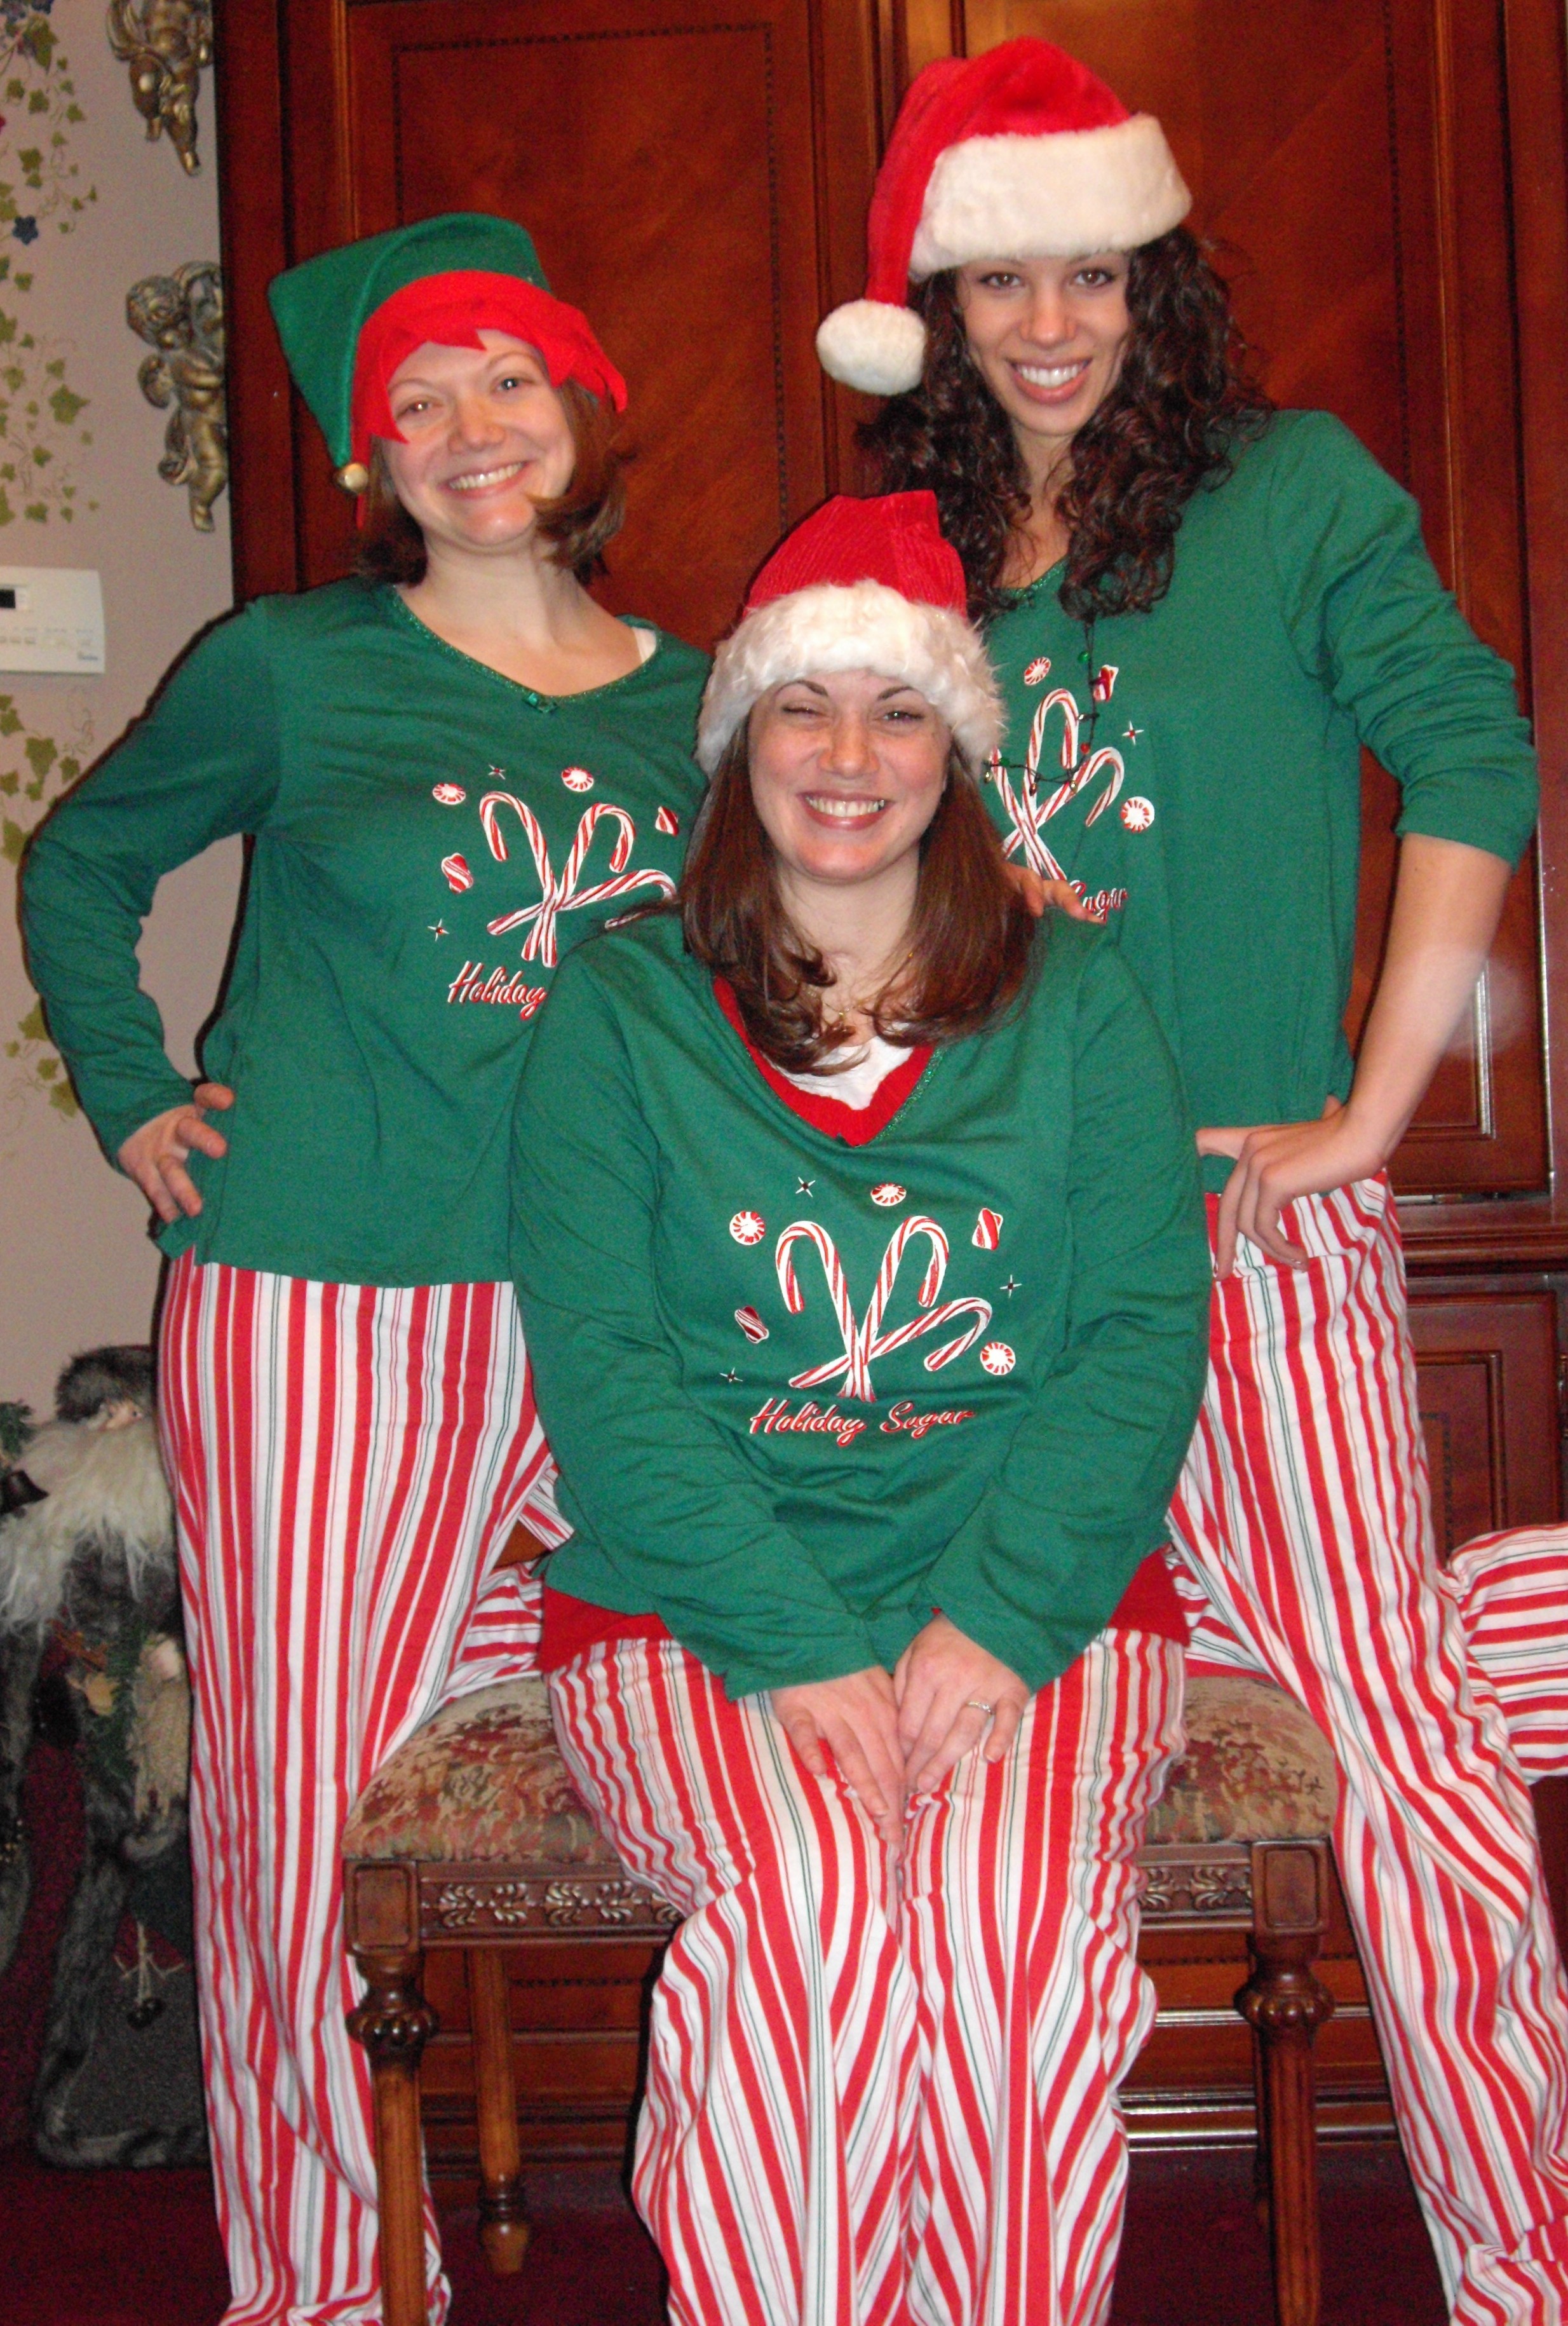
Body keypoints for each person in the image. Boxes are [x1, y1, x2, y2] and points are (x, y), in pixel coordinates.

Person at [825, 36, 1568, 2319]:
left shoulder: (1291, 491)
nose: (1050, 323)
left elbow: (1472, 751)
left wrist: (1370, 1107)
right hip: (989, 1260)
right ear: (942, 312)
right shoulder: (910, 558)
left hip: (1247, 1224)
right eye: (1001, 281)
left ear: (1158, 278)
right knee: (997, 1740)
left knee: (1397, 1743)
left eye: (1094, 272)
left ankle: (1522, 2266)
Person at [21, 212, 706, 2326]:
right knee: (307, 1807)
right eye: (417, 401)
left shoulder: (706, 700)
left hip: (619, 1308)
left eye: (506, 377)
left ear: (582, 408)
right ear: (370, 457)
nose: (468, 427)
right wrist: (136, 1093)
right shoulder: (292, 667)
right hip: (333, 1300)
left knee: (734, 1733)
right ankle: (327, 2286)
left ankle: (773, 2226)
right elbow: (83, 857)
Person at [510, 489, 1214, 2325]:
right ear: (737, 741)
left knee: (1009, 1919)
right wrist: (794, 1642)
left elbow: (1142, 1331)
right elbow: (606, 1374)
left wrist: (1002, 1616)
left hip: (1038, 1600)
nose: (846, 756)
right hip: (689, 1606)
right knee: (814, 1905)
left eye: (898, 712)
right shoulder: (620, 1010)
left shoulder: (1079, 998)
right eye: (801, 708)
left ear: (955, 752)